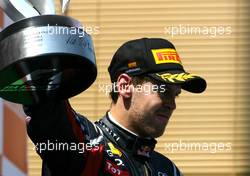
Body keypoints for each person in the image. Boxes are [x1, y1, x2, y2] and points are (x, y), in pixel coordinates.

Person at [23, 38, 207, 176]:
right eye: (164, 91)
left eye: (176, 95)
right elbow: (47, 111)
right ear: (125, 86)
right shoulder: (88, 144)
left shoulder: (168, 170)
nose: (172, 105)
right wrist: (40, 44)